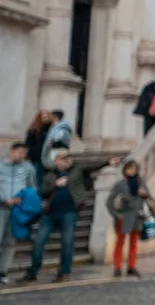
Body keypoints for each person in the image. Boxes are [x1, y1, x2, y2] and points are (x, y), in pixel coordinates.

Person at [21, 150, 90, 283]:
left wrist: (108, 162)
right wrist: (55, 184)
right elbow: (42, 192)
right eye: (62, 159)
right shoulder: (49, 175)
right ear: (56, 161)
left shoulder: (76, 172)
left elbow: (91, 171)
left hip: (69, 212)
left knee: (67, 243)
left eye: (67, 158)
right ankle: (33, 271)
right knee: (38, 242)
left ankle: (64, 272)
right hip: (50, 214)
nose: (65, 161)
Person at [105, 158, 151, 278]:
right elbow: (109, 201)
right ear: (125, 170)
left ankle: (131, 266)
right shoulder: (120, 184)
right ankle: (117, 267)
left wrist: (144, 193)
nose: (132, 171)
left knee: (134, 243)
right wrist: (117, 215)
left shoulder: (140, 181)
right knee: (120, 242)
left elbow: (148, 196)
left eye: (135, 169)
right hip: (124, 217)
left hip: (137, 216)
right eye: (130, 169)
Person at [0, 142, 36, 285]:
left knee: (10, 242)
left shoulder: (28, 167)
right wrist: (3, 199)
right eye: (20, 152)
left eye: (24, 153)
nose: (22, 155)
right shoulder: (1, 166)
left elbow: (32, 188)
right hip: (1, 207)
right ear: (12, 151)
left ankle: (2, 272)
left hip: (16, 210)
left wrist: (22, 198)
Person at [25, 111, 52, 187]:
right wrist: (27, 154)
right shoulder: (33, 130)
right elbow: (28, 143)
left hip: (47, 156)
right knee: (36, 177)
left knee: (43, 177)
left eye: (47, 117)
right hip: (36, 156)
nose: (46, 119)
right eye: (44, 117)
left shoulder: (51, 129)